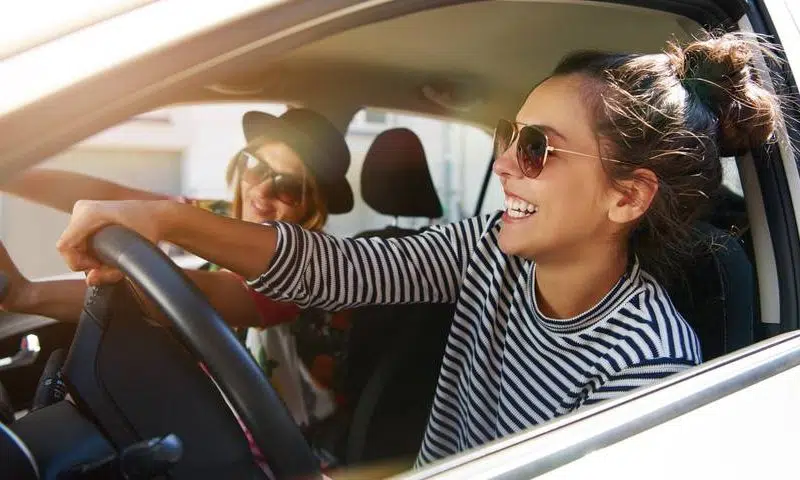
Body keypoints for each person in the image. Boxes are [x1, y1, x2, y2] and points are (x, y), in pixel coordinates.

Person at [55, 32, 784, 466]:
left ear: (627, 197)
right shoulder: (488, 251)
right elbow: (337, 271)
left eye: (538, 148)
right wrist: (161, 219)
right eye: (508, 135)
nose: (504, 164)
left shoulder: (648, 359)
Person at [0, 108, 354, 430]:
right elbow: (112, 197)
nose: (261, 192)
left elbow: (201, 295)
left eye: (288, 187)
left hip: (279, 449)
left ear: (313, 206)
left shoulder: (310, 268)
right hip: (210, 412)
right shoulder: (219, 216)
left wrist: (27, 294)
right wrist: (11, 173)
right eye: (255, 167)